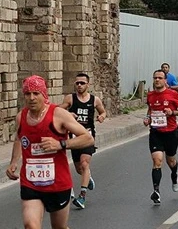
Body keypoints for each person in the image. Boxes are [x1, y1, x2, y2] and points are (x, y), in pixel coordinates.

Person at [6, 75, 94, 229]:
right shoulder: (21, 116)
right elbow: (19, 139)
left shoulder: (58, 114)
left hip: (57, 184)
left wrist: (61, 144)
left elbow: (87, 138)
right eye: (27, 94)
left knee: (59, 227)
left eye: (36, 93)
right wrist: (13, 162)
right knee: (30, 225)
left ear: (43, 94)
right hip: (31, 183)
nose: (31, 98)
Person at [59, 73, 107, 209]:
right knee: (80, 169)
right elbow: (57, 110)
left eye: (82, 83)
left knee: (85, 164)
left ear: (88, 85)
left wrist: (102, 117)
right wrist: (68, 114)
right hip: (74, 137)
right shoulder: (70, 99)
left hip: (88, 136)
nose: (79, 85)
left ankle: (82, 196)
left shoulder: (94, 100)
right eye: (77, 83)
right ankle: (88, 177)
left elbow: (103, 111)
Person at [144, 69, 178, 204]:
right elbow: (150, 109)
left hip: (171, 132)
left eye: (160, 78)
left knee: (171, 161)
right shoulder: (150, 95)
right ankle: (156, 191)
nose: (157, 80)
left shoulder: (173, 94)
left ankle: (174, 176)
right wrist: (148, 118)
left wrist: (172, 112)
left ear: (165, 80)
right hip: (156, 132)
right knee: (157, 161)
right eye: (155, 77)